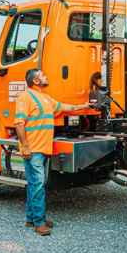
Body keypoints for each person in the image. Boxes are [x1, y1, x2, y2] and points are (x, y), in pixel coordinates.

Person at [14, 68, 91, 236]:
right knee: (38, 185)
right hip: (33, 149)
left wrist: (84, 106)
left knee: (34, 184)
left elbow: (64, 107)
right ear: (35, 81)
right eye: (42, 75)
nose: (46, 76)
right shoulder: (25, 97)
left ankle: (31, 218)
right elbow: (19, 124)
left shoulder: (46, 98)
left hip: (43, 149)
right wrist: (25, 146)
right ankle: (39, 223)